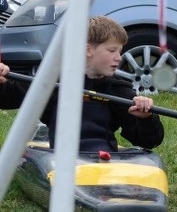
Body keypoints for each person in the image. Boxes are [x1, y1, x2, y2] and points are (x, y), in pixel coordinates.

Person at [0, 15, 164, 153]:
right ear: (88, 50)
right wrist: (2, 81)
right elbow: (8, 98)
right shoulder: (52, 82)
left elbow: (149, 141)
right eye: (112, 50)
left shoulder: (118, 89)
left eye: (120, 52)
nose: (119, 57)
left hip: (104, 160)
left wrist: (146, 118)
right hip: (60, 160)